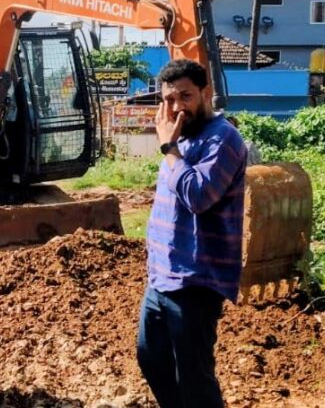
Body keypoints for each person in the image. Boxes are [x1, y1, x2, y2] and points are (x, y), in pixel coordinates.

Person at [137, 59, 248, 408]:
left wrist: (169, 150)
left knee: (194, 377)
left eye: (185, 96)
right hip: (162, 277)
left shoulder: (223, 139)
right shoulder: (180, 138)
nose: (176, 108)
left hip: (196, 281)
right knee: (151, 357)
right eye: (169, 99)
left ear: (205, 92)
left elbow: (199, 197)